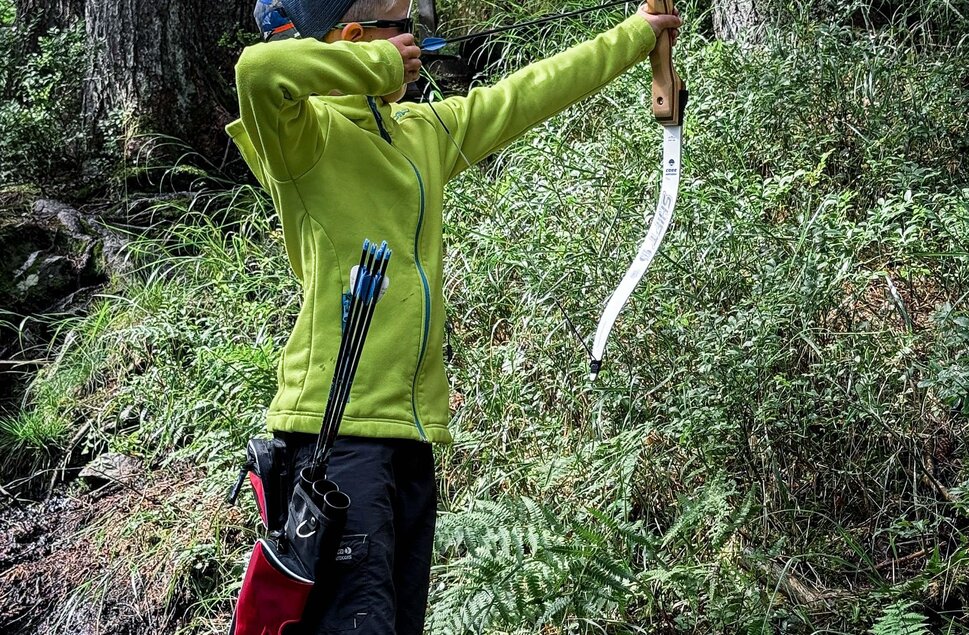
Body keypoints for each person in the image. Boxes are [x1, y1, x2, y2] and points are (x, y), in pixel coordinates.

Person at [226, 0, 681, 632]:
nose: (413, 39)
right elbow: (259, 69)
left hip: (410, 441)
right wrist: (374, 62)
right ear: (355, 37)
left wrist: (638, 35)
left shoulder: (420, 132)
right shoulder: (306, 136)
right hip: (334, 435)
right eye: (398, 24)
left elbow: (530, 92)